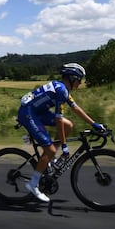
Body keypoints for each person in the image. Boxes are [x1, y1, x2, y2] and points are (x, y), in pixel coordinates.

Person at [17, 63, 105, 202]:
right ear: (72, 78)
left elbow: (75, 108)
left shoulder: (62, 88)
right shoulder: (61, 90)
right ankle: (33, 184)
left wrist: (94, 123)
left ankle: (50, 158)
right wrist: (64, 145)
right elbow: (58, 120)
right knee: (50, 149)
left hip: (39, 111)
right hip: (28, 113)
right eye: (79, 80)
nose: (80, 83)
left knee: (68, 125)